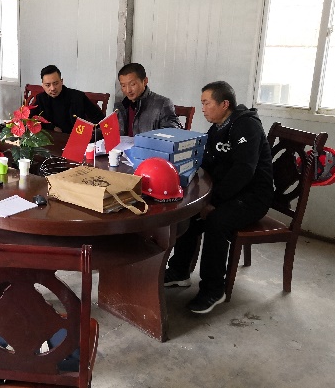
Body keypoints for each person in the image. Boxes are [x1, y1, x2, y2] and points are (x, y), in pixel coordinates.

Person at [164, 81, 274, 314]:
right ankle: (179, 271)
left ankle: (213, 289)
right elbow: (206, 159)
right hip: (229, 191)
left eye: (207, 103)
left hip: (253, 196)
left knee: (216, 221)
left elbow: (244, 171)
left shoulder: (246, 126)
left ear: (224, 104)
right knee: (188, 214)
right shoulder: (218, 127)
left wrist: (214, 201)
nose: (203, 108)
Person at [30, 65, 104, 134]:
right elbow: (30, 119)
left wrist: (89, 133)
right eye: (48, 85)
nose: (52, 88)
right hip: (52, 139)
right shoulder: (41, 98)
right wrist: (52, 128)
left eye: (56, 83)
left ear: (61, 81)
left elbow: (99, 119)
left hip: (75, 138)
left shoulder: (78, 97)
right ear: (43, 85)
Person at [114, 63, 181, 136]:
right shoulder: (120, 106)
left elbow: (173, 133)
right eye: (123, 86)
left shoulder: (162, 103)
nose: (128, 90)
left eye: (132, 84)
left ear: (145, 81)